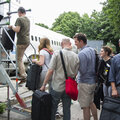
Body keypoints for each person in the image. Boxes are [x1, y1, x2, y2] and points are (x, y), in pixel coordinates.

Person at [40, 38, 79, 120]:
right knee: (67, 108)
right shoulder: (76, 56)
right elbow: (76, 73)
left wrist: (44, 85)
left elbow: (50, 70)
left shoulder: (57, 53)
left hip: (57, 86)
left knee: (53, 107)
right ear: (70, 44)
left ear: (62, 43)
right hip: (69, 88)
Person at [73, 33, 98, 120]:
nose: (75, 43)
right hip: (92, 81)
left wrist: (76, 66)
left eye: (76, 41)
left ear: (81, 41)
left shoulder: (81, 54)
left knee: (85, 107)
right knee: (91, 102)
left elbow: (82, 71)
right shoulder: (92, 50)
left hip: (85, 83)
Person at [8, 7, 30, 83]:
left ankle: (24, 76)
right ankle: (23, 74)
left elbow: (17, 30)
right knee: (21, 58)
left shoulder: (19, 19)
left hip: (21, 41)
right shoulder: (28, 20)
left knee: (19, 59)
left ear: (19, 12)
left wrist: (12, 27)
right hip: (27, 41)